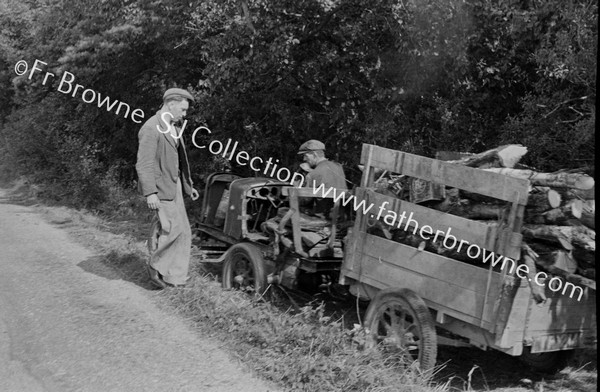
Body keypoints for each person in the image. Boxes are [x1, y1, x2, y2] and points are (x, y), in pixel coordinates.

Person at [135, 88, 199, 289]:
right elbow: (143, 164)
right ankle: (155, 266)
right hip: (160, 187)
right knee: (173, 229)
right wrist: (150, 193)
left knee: (185, 231)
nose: (184, 114)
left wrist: (188, 187)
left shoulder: (172, 127)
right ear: (171, 104)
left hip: (175, 185)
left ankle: (175, 277)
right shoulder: (151, 128)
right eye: (182, 109)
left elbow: (178, 162)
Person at [297, 139, 347, 218]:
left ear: (314, 154)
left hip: (323, 218)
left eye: (305, 156)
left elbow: (305, 200)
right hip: (340, 216)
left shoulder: (313, 174)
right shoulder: (338, 167)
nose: (304, 159)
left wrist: (297, 188)